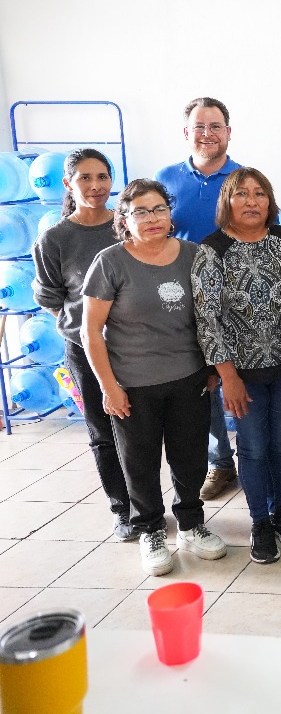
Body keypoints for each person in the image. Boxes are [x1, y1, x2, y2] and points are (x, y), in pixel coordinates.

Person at [81, 179, 228, 577]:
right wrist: (108, 387)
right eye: (141, 212)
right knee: (140, 462)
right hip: (133, 384)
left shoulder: (194, 255)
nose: (152, 219)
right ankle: (149, 528)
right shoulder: (111, 262)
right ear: (124, 219)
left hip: (189, 378)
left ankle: (191, 524)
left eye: (159, 209)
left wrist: (213, 369)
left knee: (190, 457)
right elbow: (90, 330)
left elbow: (210, 318)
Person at [193, 168, 281, 565]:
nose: (252, 201)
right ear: (227, 201)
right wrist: (228, 377)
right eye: (241, 194)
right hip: (242, 374)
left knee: (279, 444)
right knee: (254, 448)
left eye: (260, 193)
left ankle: (280, 513)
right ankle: (260, 521)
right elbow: (207, 320)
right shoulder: (212, 249)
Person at [32, 149, 134, 540]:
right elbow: (49, 295)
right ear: (68, 184)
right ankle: (121, 508)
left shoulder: (127, 226)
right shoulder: (55, 238)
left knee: (138, 430)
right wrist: (81, 324)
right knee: (102, 429)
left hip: (134, 347)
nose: (95, 186)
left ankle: (146, 505)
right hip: (85, 348)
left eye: (102, 177)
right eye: (85, 178)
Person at [154, 97, 243, 504]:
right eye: (200, 126)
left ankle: (256, 458)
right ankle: (220, 461)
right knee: (201, 384)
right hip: (183, 300)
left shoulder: (243, 178)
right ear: (186, 132)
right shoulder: (165, 179)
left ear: (228, 131)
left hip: (239, 299)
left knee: (241, 379)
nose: (208, 134)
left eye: (216, 126)